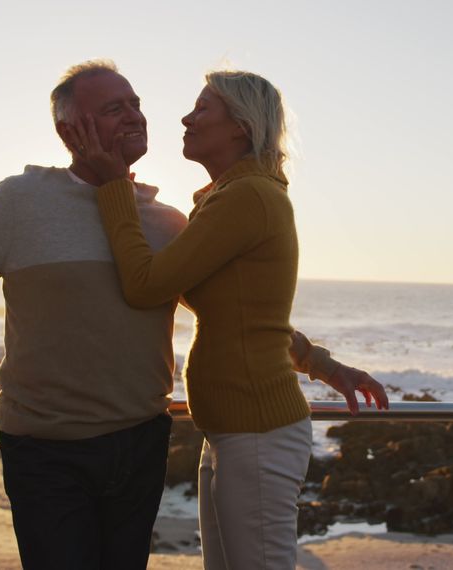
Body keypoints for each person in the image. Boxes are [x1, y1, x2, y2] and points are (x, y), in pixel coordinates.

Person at [0, 60, 385, 570]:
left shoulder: (165, 222)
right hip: (46, 452)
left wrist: (322, 365)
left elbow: (239, 315)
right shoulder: (19, 204)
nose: (138, 116)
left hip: (141, 446)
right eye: (115, 108)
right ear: (73, 130)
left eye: (136, 103)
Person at [69, 69, 389, 570]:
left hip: (256, 432)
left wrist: (115, 190)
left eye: (202, 109)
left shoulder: (248, 197)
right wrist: (323, 366)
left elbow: (146, 285)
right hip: (232, 432)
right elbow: (245, 316)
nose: (185, 118)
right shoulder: (235, 197)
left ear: (239, 126)